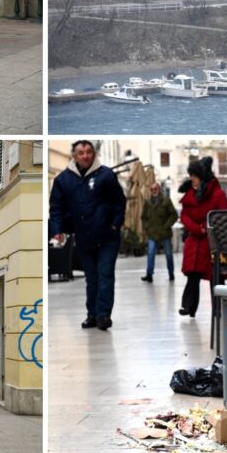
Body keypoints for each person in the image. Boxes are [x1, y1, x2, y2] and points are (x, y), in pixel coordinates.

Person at [49, 140, 127, 331]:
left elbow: (119, 202)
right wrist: (57, 230)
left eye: (89, 152)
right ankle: (92, 314)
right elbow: (56, 208)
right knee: (91, 278)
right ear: (74, 156)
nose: (85, 156)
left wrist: (115, 225)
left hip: (108, 236)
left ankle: (103, 316)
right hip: (84, 237)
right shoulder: (63, 180)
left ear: (94, 154)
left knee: (105, 274)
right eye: (81, 153)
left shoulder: (106, 175)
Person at [177, 156, 227, 322]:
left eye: (194, 175)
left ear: (201, 177)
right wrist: (198, 228)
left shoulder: (217, 194)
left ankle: (219, 308)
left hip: (213, 242)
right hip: (195, 241)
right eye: (191, 175)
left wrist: (207, 228)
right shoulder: (190, 194)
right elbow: (184, 216)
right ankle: (188, 307)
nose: (191, 179)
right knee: (193, 275)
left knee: (216, 276)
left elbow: (224, 215)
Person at [141, 183, 178, 283]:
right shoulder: (147, 202)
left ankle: (171, 273)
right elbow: (143, 217)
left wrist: (167, 225)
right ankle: (149, 274)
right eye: (152, 189)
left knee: (169, 254)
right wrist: (146, 227)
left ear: (159, 189)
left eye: (155, 188)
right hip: (152, 233)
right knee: (150, 253)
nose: (154, 190)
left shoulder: (166, 200)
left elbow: (174, 215)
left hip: (164, 232)